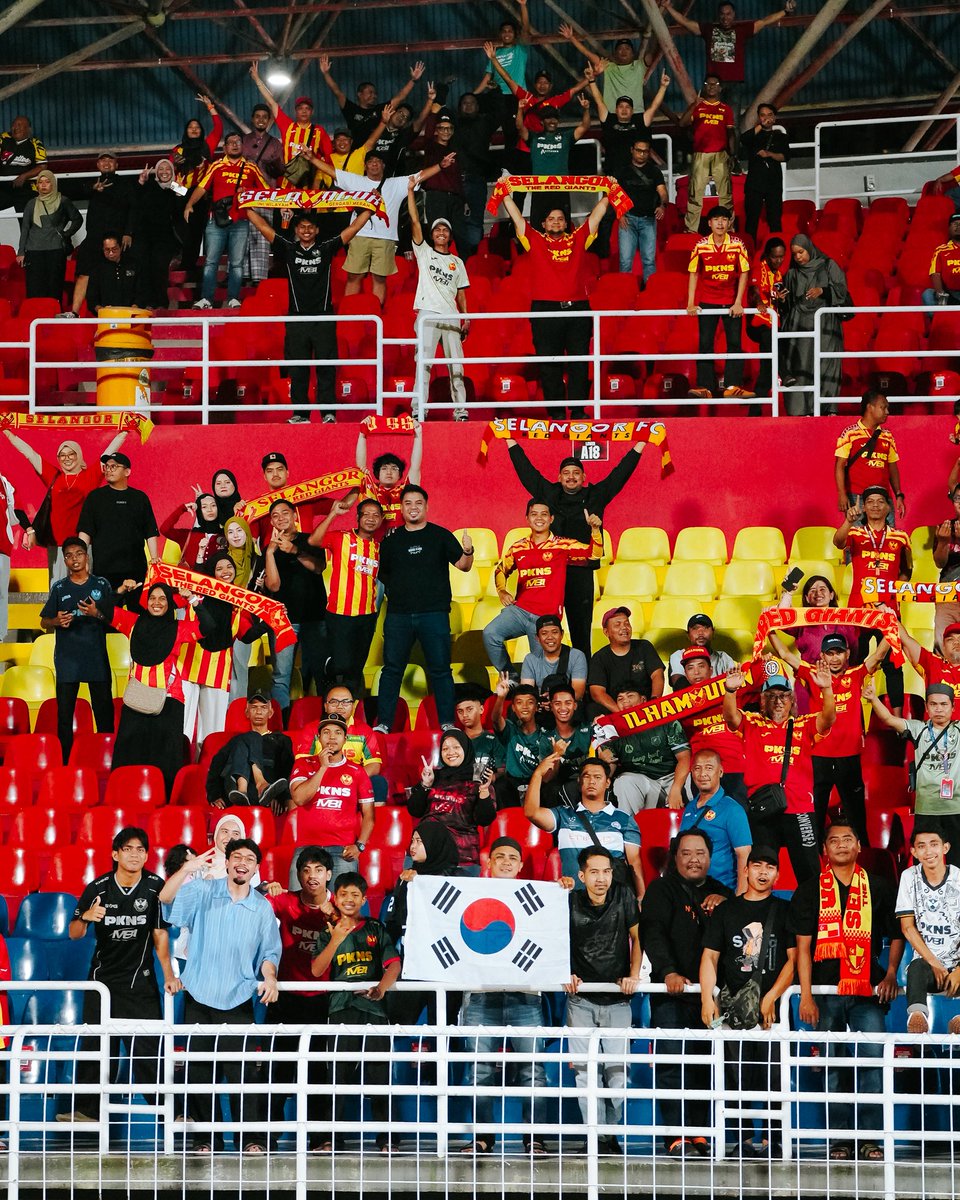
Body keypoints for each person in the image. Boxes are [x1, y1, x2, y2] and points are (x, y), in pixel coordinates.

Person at [789, 820, 903, 1162]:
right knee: (833, 1065)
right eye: (833, 840)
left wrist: (892, 973)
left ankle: (870, 1140)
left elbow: (897, 934)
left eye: (847, 839)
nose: (840, 845)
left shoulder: (880, 887)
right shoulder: (810, 890)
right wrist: (806, 996)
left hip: (868, 992)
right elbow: (803, 948)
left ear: (858, 847)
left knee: (871, 1063)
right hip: (825, 993)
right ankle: (839, 1139)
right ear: (824, 850)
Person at [160, 838, 281, 1153]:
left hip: (238, 997)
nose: (242, 862)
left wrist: (270, 977)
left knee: (243, 1073)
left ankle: (250, 1140)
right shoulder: (202, 891)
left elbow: (270, 952)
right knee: (200, 1072)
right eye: (236, 856)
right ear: (226, 863)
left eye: (249, 858)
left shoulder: (262, 907)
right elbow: (166, 898)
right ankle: (206, 1139)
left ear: (256, 868)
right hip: (198, 995)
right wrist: (188, 867)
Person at [59, 827, 177, 1125]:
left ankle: (169, 1113)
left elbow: (160, 935)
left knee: (148, 1052)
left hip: (140, 983)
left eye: (140, 849)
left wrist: (168, 975)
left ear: (147, 855)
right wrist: (85, 917)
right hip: (102, 984)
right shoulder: (97, 888)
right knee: (96, 1049)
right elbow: (74, 933)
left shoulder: (154, 887)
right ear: (115, 854)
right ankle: (87, 1111)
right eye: (127, 849)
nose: (134, 854)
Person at [457, 836, 553, 1155]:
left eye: (514, 857)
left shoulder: (539, 899)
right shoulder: (469, 895)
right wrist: (415, 880)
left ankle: (534, 1137)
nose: (508, 862)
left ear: (522, 865)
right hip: (481, 995)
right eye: (501, 856)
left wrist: (563, 890)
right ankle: (482, 1136)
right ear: (488, 861)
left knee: (533, 1070)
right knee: (479, 1069)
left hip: (526, 995)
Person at [700, 846, 796, 1157]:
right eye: (757, 865)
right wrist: (706, 998)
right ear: (746, 870)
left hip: (772, 1013)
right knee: (735, 1076)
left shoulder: (784, 910)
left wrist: (771, 996)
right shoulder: (727, 911)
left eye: (770, 867)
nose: (763, 872)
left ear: (778, 874)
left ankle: (772, 1140)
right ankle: (740, 1140)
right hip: (733, 1011)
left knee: (773, 1077)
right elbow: (710, 958)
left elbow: (794, 961)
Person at [640, 828, 731, 1156]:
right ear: (674, 857)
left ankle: (701, 1132)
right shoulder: (660, 889)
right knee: (671, 1065)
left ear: (710, 857)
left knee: (705, 1064)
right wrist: (667, 971)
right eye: (686, 853)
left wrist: (727, 906)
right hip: (671, 996)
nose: (694, 860)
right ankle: (676, 1135)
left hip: (711, 998)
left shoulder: (723, 892)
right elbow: (652, 932)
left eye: (701, 853)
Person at [506, 446, 646, 656]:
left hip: (581, 574)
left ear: (584, 477)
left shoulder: (595, 495)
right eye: (566, 473)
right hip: (551, 574)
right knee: (546, 631)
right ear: (559, 477)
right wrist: (510, 441)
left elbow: (620, 473)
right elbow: (527, 472)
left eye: (576, 473)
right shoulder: (550, 494)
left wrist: (640, 445)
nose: (571, 477)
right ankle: (547, 681)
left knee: (581, 634)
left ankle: (584, 683)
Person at [244, 205, 373, 423]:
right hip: (297, 319)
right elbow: (263, 226)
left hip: (323, 318)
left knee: (326, 369)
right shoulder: (288, 249)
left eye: (310, 227)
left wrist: (369, 210)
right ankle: (300, 414)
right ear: (296, 230)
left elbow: (352, 229)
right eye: (302, 227)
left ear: (317, 230)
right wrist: (246, 207)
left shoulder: (326, 248)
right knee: (298, 370)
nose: (306, 230)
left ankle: (328, 413)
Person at [496, 183, 610, 417]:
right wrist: (505, 194)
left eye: (560, 218)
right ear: (543, 224)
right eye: (551, 219)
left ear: (566, 223)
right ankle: (556, 413)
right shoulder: (534, 240)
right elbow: (517, 219)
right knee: (550, 365)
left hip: (577, 310)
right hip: (545, 311)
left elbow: (596, 216)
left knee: (579, 364)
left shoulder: (579, 239)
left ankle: (578, 411)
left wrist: (609, 192)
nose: (556, 221)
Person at [766, 628, 888, 842]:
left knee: (858, 817)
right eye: (829, 653)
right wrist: (769, 629)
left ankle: (866, 863)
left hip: (849, 758)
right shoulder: (813, 674)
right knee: (815, 816)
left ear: (847, 654)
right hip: (818, 758)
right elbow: (785, 655)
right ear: (821, 656)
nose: (834, 658)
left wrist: (891, 627)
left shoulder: (856, 674)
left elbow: (878, 654)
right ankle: (815, 864)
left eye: (838, 652)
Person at [311, 870, 402, 1153]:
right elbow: (316, 970)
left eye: (355, 895)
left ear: (363, 899)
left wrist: (382, 988)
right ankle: (333, 1139)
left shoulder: (376, 928)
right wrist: (336, 939)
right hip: (340, 1010)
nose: (349, 899)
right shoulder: (327, 932)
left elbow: (394, 965)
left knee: (379, 1077)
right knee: (337, 1077)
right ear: (335, 899)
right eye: (343, 894)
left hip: (374, 1011)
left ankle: (387, 1139)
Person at [723, 661, 835, 883]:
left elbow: (828, 718)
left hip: (800, 809)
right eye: (771, 696)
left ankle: (811, 916)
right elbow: (731, 718)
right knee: (762, 871)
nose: (778, 701)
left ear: (792, 700)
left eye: (783, 696)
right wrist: (730, 691)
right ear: (762, 700)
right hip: (765, 810)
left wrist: (827, 689)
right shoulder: (753, 723)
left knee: (810, 873)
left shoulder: (804, 725)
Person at [373, 485, 473, 734]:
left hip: (434, 614)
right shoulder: (391, 542)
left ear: (426, 507)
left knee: (440, 671)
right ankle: (384, 723)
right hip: (398, 616)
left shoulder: (440, 535)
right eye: (408, 503)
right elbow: (382, 576)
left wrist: (469, 550)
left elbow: (464, 565)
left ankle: (447, 723)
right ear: (402, 507)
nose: (413, 507)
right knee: (392, 670)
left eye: (418, 503)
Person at [303, 148, 453, 307]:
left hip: (386, 238)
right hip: (359, 235)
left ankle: (376, 313)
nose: (374, 164)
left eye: (377, 162)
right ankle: (349, 314)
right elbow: (333, 172)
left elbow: (420, 176)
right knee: (354, 276)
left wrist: (440, 166)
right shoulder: (355, 181)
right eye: (370, 161)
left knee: (379, 278)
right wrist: (312, 159)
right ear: (365, 166)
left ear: (383, 165)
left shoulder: (396, 183)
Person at [564, 846, 641, 1152]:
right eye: (593, 872)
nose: (601, 878)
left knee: (617, 1077)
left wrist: (634, 973)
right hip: (580, 1000)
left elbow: (639, 936)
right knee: (585, 1077)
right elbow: (555, 939)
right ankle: (597, 1138)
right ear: (581, 875)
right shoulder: (568, 900)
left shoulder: (623, 896)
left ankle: (609, 1135)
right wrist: (565, 973)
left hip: (619, 1001)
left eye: (606, 871)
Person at [265, 845, 339, 1150]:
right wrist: (264, 888)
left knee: (320, 1072)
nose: (312, 876)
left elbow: (357, 930)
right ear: (298, 875)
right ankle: (267, 1137)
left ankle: (322, 1138)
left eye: (318, 870)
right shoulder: (284, 902)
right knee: (279, 1069)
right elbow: (249, 905)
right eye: (306, 870)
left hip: (324, 999)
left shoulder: (340, 907)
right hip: (287, 997)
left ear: (329, 875)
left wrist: (332, 918)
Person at [110, 582, 212, 795]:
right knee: (128, 753)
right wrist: (120, 591)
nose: (157, 603)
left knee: (165, 758)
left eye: (162, 598)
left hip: (169, 700)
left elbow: (209, 626)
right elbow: (104, 609)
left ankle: (162, 799)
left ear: (170, 603)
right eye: (152, 598)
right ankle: (127, 795)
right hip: (137, 698)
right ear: (146, 603)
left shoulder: (178, 628)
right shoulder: (133, 622)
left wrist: (193, 600)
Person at [484, 500, 602, 676]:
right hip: (520, 611)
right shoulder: (518, 547)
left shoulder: (562, 545)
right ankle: (511, 678)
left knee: (542, 673)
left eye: (544, 514)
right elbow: (501, 570)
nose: (539, 518)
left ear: (551, 519)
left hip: (546, 616)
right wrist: (502, 590)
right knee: (490, 634)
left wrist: (594, 530)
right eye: (534, 514)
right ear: (527, 518)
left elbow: (594, 554)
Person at [2, 428, 128, 582]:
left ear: (79, 455)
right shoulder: (53, 476)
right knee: (57, 587)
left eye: (71, 454)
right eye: (62, 455)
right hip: (58, 544)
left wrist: (124, 433)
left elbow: (108, 452)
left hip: (84, 543)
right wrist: (7, 432)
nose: (66, 458)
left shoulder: (90, 475)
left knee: (85, 588)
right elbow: (30, 453)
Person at [525, 752, 645, 902]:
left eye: (597, 777)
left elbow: (634, 862)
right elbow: (531, 812)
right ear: (579, 781)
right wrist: (537, 774)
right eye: (587, 776)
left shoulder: (624, 819)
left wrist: (641, 896)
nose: (592, 781)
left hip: (612, 902)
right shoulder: (563, 815)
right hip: (572, 901)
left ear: (608, 782)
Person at [834, 486, 911, 715]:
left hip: (888, 610)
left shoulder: (901, 537)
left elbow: (907, 571)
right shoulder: (856, 534)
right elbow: (838, 542)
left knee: (892, 664)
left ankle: (898, 722)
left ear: (888, 507)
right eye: (870, 501)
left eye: (880, 501)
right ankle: (852, 714)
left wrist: (895, 590)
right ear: (864, 506)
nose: (875, 505)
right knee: (856, 663)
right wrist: (848, 521)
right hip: (859, 609)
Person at [867, 681, 960, 865]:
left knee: (957, 861)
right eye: (933, 704)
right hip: (926, 809)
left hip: (956, 809)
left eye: (944, 704)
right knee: (925, 860)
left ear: (953, 706)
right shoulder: (919, 729)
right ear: (926, 707)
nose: (939, 709)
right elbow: (888, 719)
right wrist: (872, 699)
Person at [39, 537, 115, 761]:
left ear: (86, 556)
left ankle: (107, 758)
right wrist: (56, 621)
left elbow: (113, 619)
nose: (75, 559)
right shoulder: (59, 587)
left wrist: (96, 614)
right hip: (67, 660)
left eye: (79, 554)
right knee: (64, 717)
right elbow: (44, 621)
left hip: (96, 659)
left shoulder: (101, 585)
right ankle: (66, 762)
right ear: (64, 559)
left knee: (104, 715)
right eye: (69, 555)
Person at [662, 0, 796, 119]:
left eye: (728, 14)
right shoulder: (709, 30)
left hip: (735, 84)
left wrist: (785, 11)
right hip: (713, 85)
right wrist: (668, 7)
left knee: (732, 122)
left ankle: (733, 148)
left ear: (734, 15)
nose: (725, 17)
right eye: (722, 14)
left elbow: (765, 21)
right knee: (712, 120)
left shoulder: (742, 30)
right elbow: (685, 22)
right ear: (718, 15)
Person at [407, 177, 471, 419]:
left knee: (456, 365)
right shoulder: (423, 253)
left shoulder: (457, 262)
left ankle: (461, 410)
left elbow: (462, 293)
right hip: (427, 314)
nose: (441, 233)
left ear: (450, 235)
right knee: (423, 364)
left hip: (452, 316)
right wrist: (410, 192)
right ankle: (418, 411)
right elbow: (414, 220)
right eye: (437, 230)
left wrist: (466, 318)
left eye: (445, 230)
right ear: (432, 235)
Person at [184, 131, 270, 309]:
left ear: (242, 145)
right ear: (225, 147)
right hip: (216, 221)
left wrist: (251, 193)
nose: (235, 144)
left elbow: (266, 192)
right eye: (231, 142)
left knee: (237, 263)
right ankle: (206, 299)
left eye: (238, 141)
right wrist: (189, 204)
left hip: (241, 222)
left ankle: (234, 298)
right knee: (210, 262)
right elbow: (202, 187)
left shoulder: (251, 167)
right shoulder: (216, 166)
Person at [288, 712, 375, 887]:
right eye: (326, 732)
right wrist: (323, 768)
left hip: (341, 850)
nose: (332, 737)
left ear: (345, 738)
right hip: (306, 847)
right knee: (298, 907)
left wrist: (360, 846)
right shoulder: (303, 764)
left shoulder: (357, 772)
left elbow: (369, 816)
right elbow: (299, 798)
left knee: (340, 907)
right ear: (318, 737)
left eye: (337, 732)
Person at [307, 498, 383, 693]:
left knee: (356, 669)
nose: (371, 519)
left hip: (367, 617)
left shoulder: (379, 548)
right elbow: (313, 540)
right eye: (366, 514)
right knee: (341, 665)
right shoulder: (341, 538)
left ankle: (352, 713)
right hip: (340, 615)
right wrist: (333, 514)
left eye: (376, 515)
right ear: (357, 517)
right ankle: (327, 687)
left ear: (381, 520)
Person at [263, 497, 329, 715]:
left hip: (314, 619)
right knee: (281, 676)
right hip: (284, 621)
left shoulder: (310, 540)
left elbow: (319, 567)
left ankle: (325, 721)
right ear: (271, 522)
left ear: (294, 515)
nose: (280, 518)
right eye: (275, 515)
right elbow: (273, 585)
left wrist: (294, 551)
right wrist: (271, 553)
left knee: (321, 673)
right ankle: (281, 725)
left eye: (284, 513)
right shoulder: (268, 548)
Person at [895, 822, 960, 1035]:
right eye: (921, 846)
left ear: (945, 848)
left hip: (958, 966)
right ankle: (917, 1017)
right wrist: (934, 963)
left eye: (934, 844)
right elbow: (907, 928)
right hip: (928, 968)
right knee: (916, 968)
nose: (928, 851)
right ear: (913, 851)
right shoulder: (908, 877)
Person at [686, 205, 753, 401]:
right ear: (709, 223)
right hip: (707, 301)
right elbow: (693, 273)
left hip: (731, 302)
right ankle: (705, 387)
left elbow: (744, 273)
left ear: (729, 222)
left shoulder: (738, 244)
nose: (720, 223)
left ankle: (732, 386)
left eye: (724, 219)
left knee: (734, 343)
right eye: (716, 220)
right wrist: (691, 303)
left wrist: (738, 302)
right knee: (705, 343)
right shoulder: (700, 245)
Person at [781, 234, 852, 415]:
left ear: (809, 249)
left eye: (801, 252)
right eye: (795, 254)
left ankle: (828, 409)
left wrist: (823, 290)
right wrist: (782, 298)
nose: (798, 257)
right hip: (799, 326)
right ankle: (801, 410)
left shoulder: (828, 266)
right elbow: (786, 304)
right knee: (801, 365)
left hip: (825, 326)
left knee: (826, 364)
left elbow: (842, 291)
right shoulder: (791, 273)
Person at [409, 729, 496, 875]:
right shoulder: (433, 776)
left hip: (461, 857)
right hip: (426, 854)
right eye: (445, 748)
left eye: (456, 747)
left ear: (466, 749)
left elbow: (485, 818)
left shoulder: (478, 780)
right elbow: (414, 810)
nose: (450, 752)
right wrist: (425, 785)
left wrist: (484, 790)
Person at [77, 450, 159, 601]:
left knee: (137, 614)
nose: (109, 470)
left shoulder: (139, 498)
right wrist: (81, 560)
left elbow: (150, 531)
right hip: (105, 569)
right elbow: (85, 531)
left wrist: (155, 559)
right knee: (107, 614)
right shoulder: (95, 497)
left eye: (114, 466)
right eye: (107, 467)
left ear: (127, 471)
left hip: (135, 569)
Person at [598, 684, 690, 814]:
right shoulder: (611, 730)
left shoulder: (664, 719)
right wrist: (604, 761)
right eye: (620, 699)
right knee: (623, 781)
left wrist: (676, 788)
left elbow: (684, 758)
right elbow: (610, 767)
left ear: (643, 700)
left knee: (698, 772)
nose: (625, 701)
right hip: (643, 783)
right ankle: (630, 830)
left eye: (630, 696)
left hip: (672, 778)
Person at [677, 646, 749, 805]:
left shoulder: (732, 689)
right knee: (706, 824)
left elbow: (765, 684)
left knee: (737, 819)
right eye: (690, 668)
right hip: (702, 773)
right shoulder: (677, 705)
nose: (696, 672)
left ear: (710, 670)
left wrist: (765, 664)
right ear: (685, 674)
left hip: (735, 768)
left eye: (701, 666)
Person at [249, 64, 334, 190]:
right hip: (285, 186)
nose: (304, 111)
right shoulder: (287, 126)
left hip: (309, 187)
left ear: (312, 112)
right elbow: (272, 102)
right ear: (296, 111)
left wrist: (321, 181)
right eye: (300, 108)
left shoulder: (319, 131)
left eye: (307, 109)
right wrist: (257, 79)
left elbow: (329, 158)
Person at [70, 152, 135, 316]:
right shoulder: (92, 184)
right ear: (97, 165)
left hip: (117, 238)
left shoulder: (125, 184)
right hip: (93, 238)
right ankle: (74, 312)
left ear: (117, 165)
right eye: (103, 160)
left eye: (110, 160)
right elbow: (72, 191)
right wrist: (93, 188)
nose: (106, 163)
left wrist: (128, 232)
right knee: (83, 274)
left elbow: (133, 209)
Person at [678, 749, 751, 893]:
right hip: (688, 890)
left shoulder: (733, 809)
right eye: (697, 768)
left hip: (719, 890)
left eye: (709, 768)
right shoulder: (689, 808)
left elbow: (744, 854)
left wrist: (740, 899)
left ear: (721, 772)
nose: (702, 774)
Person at [205, 691, 292, 809]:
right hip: (234, 790)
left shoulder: (281, 740)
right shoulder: (237, 740)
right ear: (247, 712)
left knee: (253, 736)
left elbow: (287, 768)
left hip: (268, 790)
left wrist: (279, 796)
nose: (259, 712)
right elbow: (216, 765)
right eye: (254, 707)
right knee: (252, 736)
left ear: (271, 713)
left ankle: (258, 789)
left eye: (264, 707)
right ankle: (255, 786)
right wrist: (214, 795)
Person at [515, 95, 592, 228]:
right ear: (541, 122)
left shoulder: (565, 137)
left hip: (560, 189)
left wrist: (586, 109)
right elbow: (519, 126)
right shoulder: (533, 138)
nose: (552, 121)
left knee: (562, 227)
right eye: (548, 118)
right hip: (540, 190)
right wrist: (520, 110)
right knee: (538, 227)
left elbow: (585, 126)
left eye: (555, 118)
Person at [581, 60, 671, 170]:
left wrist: (663, 87)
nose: (624, 109)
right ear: (615, 110)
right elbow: (599, 100)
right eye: (621, 107)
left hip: (637, 172)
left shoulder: (640, 120)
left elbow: (654, 106)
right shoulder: (609, 119)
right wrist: (591, 81)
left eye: (627, 107)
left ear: (633, 111)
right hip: (613, 173)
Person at [170, 96, 223, 276]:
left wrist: (210, 107)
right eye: (191, 127)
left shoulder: (207, 147)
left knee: (196, 232)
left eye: (197, 127)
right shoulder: (177, 150)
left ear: (201, 131)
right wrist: (178, 191)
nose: (194, 129)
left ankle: (189, 265)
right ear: (186, 131)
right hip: (179, 193)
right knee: (180, 230)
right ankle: (182, 260)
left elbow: (219, 129)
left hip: (200, 195)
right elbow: (168, 175)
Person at [318, 55, 424, 145]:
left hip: (375, 156)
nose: (374, 96)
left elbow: (400, 97)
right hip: (356, 154)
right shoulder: (350, 109)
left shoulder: (381, 110)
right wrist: (326, 74)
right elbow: (336, 91)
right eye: (370, 92)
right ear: (360, 94)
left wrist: (413, 80)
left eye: (375, 93)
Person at [834, 390, 904, 518]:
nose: (887, 412)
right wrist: (842, 494)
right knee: (859, 536)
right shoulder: (849, 433)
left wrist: (898, 495)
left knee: (888, 536)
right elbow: (840, 465)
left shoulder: (887, 436)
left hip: (883, 498)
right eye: (883, 407)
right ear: (869, 407)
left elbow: (893, 467)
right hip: (857, 497)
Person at [679, 76, 735, 234]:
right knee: (695, 193)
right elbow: (682, 123)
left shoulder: (726, 109)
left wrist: (732, 154)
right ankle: (691, 230)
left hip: (720, 154)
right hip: (700, 154)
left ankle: (728, 228)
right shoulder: (697, 106)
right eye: (707, 84)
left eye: (714, 84)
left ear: (720, 88)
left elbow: (731, 133)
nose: (711, 87)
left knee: (725, 194)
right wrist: (693, 105)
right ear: (704, 87)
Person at [17, 169, 82, 302]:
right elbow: (25, 228)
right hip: (34, 250)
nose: (44, 185)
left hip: (55, 249)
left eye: (47, 182)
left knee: (54, 287)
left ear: (53, 183)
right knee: (35, 288)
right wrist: (21, 251)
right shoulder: (31, 203)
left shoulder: (63, 201)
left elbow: (77, 219)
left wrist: (66, 234)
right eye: (40, 182)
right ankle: (36, 317)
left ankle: (52, 317)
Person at [130, 158, 187, 311]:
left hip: (167, 238)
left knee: (160, 268)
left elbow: (183, 210)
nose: (164, 172)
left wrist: (179, 194)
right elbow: (134, 201)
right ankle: (148, 302)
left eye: (167, 169)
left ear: (173, 172)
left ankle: (161, 302)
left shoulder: (177, 187)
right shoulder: (149, 185)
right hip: (147, 236)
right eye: (160, 169)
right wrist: (141, 181)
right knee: (146, 268)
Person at [588, 605, 665, 715]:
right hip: (616, 710)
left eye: (627, 623)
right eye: (617, 625)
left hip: (646, 707)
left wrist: (653, 703)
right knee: (592, 709)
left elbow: (657, 675)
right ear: (606, 632)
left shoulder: (644, 646)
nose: (624, 627)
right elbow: (597, 692)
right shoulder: (599, 658)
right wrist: (622, 714)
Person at [240, 105, 284, 286]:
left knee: (262, 235)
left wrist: (274, 164)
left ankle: (259, 277)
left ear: (268, 120)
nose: (260, 119)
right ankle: (241, 274)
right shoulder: (242, 140)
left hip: (265, 193)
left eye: (264, 117)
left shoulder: (275, 143)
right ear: (252, 118)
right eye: (257, 116)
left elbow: (282, 170)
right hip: (244, 193)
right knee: (242, 234)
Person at [492, 680, 554, 808]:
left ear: (537, 707)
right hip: (513, 782)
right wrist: (501, 697)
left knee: (551, 789)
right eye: (519, 702)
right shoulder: (510, 729)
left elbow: (548, 775)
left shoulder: (546, 736)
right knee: (501, 786)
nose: (524, 706)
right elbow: (496, 720)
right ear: (513, 708)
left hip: (537, 782)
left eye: (530, 702)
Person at [355, 417, 423, 532]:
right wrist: (362, 435)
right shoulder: (370, 489)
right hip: (374, 544)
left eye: (394, 469)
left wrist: (418, 435)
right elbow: (360, 466)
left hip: (400, 543)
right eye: (384, 468)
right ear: (377, 473)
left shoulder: (406, 490)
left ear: (400, 474)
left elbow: (415, 467)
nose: (389, 472)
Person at [613, 138, 668, 281]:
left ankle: (650, 294)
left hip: (648, 219)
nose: (642, 154)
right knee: (625, 261)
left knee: (649, 261)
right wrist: (620, 214)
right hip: (628, 219)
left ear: (649, 153)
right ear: (632, 150)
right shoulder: (622, 171)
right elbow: (614, 194)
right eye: (639, 150)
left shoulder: (655, 172)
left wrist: (662, 205)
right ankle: (625, 292)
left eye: (645, 151)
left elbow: (663, 192)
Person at [740, 103, 789, 241]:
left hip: (773, 182)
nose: (766, 118)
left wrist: (769, 154)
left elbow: (785, 156)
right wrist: (760, 126)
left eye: (770, 114)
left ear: (775, 117)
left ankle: (777, 250)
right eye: (762, 115)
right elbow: (743, 139)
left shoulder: (781, 136)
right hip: (754, 183)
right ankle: (749, 252)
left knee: (775, 219)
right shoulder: (754, 135)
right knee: (751, 221)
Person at [746, 237, 787, 400]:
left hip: (771, 325)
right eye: (775, 257)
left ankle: (755, 410)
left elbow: (781, 295)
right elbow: (754, 291)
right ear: (767, 255)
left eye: (781, 256)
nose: (778, 260)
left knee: (767, 367)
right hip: (757, 323)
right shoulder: (758, 269)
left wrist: (781, 298)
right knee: (769, 363)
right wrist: (759, 303)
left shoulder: (778, 275)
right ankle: (785, 372)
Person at [519, 613, 589, 705]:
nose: (550, 637)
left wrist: (554, 700)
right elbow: (526, 694)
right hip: (541, 707)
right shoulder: (530, 659)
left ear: (562, 634)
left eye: (555, 632)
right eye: (544, 633)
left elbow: (578, 694)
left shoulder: (576, 656)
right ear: (537, 638)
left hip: (568, 708)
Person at [900, 618, 960, 718]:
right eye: (950, 639)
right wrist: (886, 611)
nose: (956, 642)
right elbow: (904, 639)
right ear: (943, 646)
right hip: (936, 731)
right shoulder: (933, 663)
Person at [667, 613, 737, 688]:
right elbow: (679, 684)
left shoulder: (723, 657)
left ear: (713, 632)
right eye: (695, 628)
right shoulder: (678, 656)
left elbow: (734, 683)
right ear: (688, 635)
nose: (700, 633)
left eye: (706, 628)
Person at [159, 490, 224, 570]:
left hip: (216, 581)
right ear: (199, 511)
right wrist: (182, 509)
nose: (209, 510)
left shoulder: (226, 535)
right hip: (190, 581)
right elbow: (164, 529)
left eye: (213, 505)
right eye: (204, 507)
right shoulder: (188, 535)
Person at [82, 233, 143, 314]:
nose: (111, 253)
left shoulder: (134, 265)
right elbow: (92, 297)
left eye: (114, 249)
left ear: (121, 247)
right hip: (107, 315)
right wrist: (100, 309)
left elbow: (142, 291)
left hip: (132, 314)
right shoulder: (97, 268)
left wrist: (136, 306)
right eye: (107, 250)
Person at [930, 489, 960, 651]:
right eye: (958, 498)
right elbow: (940, 563)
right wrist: (943, 542)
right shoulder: (946, 527)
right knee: (943, 646)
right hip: (947, 595)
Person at [0, 115, 47, 213]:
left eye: (20, 125)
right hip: (3, 188)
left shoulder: (35, 144)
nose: (16, 128)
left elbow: (42, 166)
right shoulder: (3, 138)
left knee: (26, 222)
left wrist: (24, 176)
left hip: (25, 189)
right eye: (13, 125)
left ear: (28, 129)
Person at [924, 212, 960, 307]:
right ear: (949, 229)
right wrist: (940, 293)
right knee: (927, 295)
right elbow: (935, 273)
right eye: (955, 224)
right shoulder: (941, 250)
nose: (958, 226)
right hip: (951, 294)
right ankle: (938, 320)